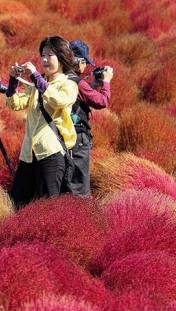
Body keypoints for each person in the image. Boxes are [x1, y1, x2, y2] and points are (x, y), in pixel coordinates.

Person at [5, 35, 78, 208]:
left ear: (61, 57)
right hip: (29, 154)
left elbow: (58, 100)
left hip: (51, 154)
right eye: (42, 55)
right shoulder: (38, 84)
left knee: (47, 208)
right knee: (15, 203)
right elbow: (14, 103)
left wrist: (37, 78)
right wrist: (13, 81)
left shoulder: (68, 85)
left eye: (50, 55)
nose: (44, 59)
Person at [67, 39, 113, 195]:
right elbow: (102, 101)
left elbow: (81, 96)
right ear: (77, 60)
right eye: (84, 62)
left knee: (66, 181)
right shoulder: (75, 81)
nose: (85, 66)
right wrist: (106, 82)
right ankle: (81, 215)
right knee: (80, 187)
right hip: (77, 139)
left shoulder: (60, 76)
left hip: (62, 136)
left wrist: (92, 86)